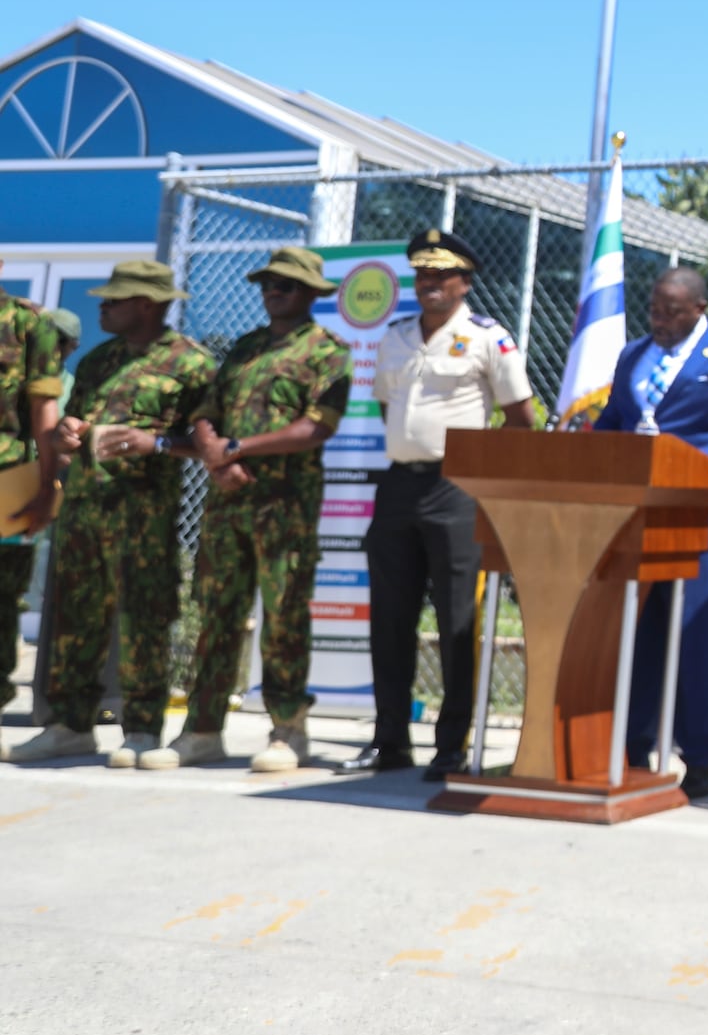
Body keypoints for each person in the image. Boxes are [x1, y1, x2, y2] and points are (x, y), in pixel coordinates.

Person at [5, 263, 212, 766]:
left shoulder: (193, 364)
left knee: (145, 618)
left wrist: (156, 442)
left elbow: (209, 443)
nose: (102, 308)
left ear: (146, 303)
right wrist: (65, 436)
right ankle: (69, 725)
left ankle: (141, 729)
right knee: (75, 619)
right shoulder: (99, 361)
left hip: (144, 516)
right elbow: (62, 431)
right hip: (84, 512)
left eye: (112, 301)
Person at [356, 229, 536, 779]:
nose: (429, 284)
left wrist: (488, 480)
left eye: (442, 276)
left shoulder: (488, 337)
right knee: (390, 617)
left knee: (459, 618)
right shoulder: (395, 336)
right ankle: (390, 740)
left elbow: (521, 418)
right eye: (422, 275)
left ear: (464, 282)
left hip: (456, 490)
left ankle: (451, 745)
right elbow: (389, 402)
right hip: (397, 486)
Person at [595, 266, 708, 802]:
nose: (661, 321)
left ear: (699, 308)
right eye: (654, 310)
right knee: (636, 641)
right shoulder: (632, 355)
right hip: (634, 522)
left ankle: (698, 758)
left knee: (697, 646)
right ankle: (632, 747)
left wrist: (683, 467)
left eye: (673, 312)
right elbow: (613, 422)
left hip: (702, 524)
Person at [176, 246, 353, 772]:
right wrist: (213, 453)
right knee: (216, 614)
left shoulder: (328, 351)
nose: (273, 293)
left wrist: (239, 450)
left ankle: (287, 731)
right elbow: (206, 412)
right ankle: (203, 728)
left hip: (285, 508)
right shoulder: (245, 347)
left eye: (286, 286)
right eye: (268, 285)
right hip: (227, 503)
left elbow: (314, 428)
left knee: (283, 618)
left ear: (309, 294)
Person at [0, 262, 69, 735]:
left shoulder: (30, 325)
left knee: (2, 599)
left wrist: (49, 489)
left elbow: (45, 411)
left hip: (6, 482)